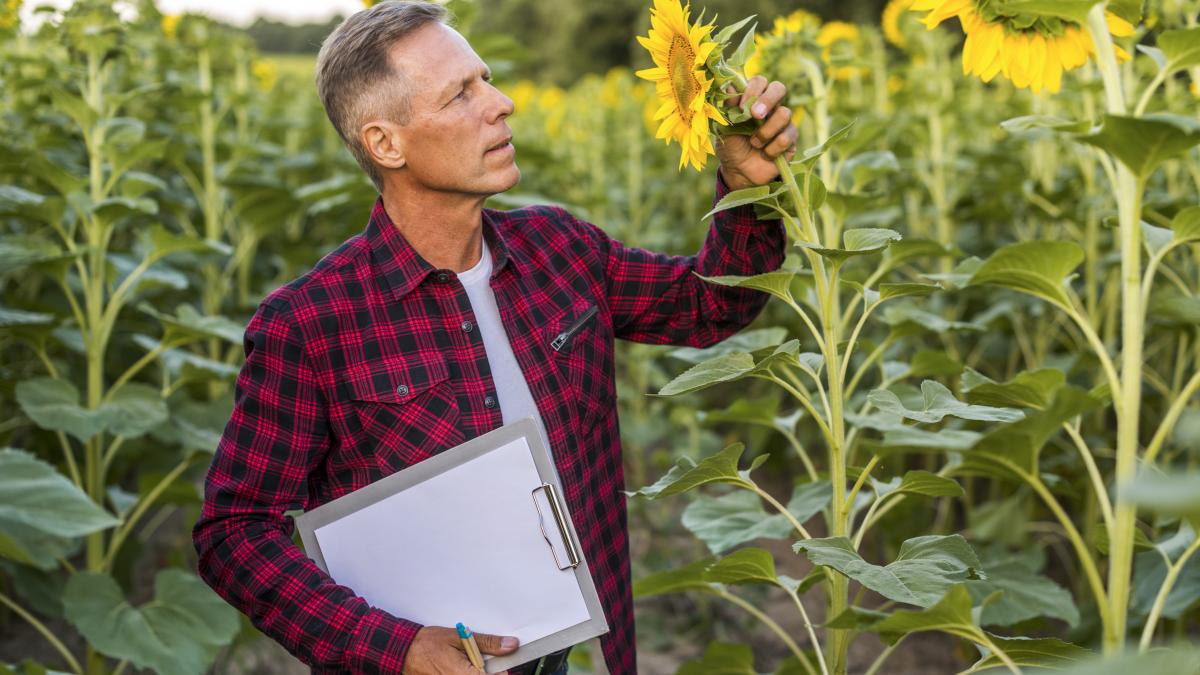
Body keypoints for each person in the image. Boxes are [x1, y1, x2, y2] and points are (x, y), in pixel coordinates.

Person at [191, 2, 798, 674]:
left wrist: (746, 189)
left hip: (572, 652)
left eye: (486, 79)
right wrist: (396, 646)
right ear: (385, 143)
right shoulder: (312, 322)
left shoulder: (559, 249)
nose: (502, 103)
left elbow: (709, 304)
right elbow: (234, 534)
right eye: (461, 93)